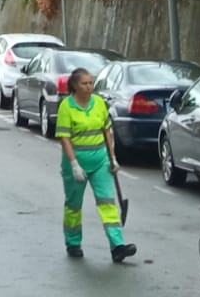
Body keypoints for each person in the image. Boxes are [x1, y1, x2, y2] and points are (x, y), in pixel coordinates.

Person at [57, 67, 135, 263]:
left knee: (107, 202)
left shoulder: (99, 103)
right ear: (74, 86)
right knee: (74, 205)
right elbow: (65, 138)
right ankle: (73, 242)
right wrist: (74, 164)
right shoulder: (67, 107)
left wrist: (112, 158)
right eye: (84, 83)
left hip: (100, 161)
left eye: (91, 83)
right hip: (75, 161)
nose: (89, 87)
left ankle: (117, 246)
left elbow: (106, 131)